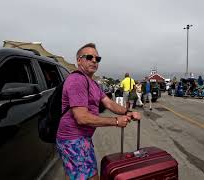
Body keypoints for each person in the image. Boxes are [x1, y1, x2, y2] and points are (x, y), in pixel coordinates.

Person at [56, 43, 141, 180]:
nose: (94, 60)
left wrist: (127, 112)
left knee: (75, 176)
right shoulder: (77, 80)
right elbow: (82, 118)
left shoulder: (93, 83)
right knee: (92, 177)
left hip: (81, 139)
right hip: (73, 140)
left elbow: (109, 103)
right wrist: (115, 121)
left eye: (97, 58)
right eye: (89, 57)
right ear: (79, 60)